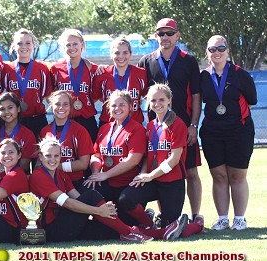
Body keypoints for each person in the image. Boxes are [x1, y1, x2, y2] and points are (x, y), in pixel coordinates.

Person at [118, 84, 204, 240]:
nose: (157, 104)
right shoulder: (151, 125)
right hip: (153, 180)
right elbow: (148, 156)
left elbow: (174, 160)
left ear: (169, 100)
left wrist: (150, 175)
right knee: (126, 198)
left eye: (161, 100)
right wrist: (143, 173)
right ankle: (148, 223)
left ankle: (197, 225)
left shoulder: (177, 124)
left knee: (171, 231)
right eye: (153, 100)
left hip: (172, 182)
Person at [138, 18, 202, 221]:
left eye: (169, 33)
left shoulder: (188, 60)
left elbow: (196, 95)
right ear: (156, 36)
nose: (165, 37)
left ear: (177, 35)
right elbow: (136, 90)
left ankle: (195, 215)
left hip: (183, 126)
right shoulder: (147, 61)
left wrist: (193, 124)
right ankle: (164, 216)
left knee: (190, 171)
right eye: (161, 33)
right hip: (157, 128)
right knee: (159, 169)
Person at [29, 136, 153, 242]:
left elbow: (78, 198)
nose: (52, 159)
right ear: (40, 156)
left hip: (66, 223)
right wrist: (98, 211)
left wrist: (103, 208)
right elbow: (68, 203)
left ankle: (160, 233)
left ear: (61, 156)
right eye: (48, 156)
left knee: (110, 229)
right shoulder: (39, 175)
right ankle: (130, 233)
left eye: (56, 155)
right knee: (92, 195)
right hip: (52, 229)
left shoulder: (61, 174)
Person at [200, 35, 257, 231]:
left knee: (237, 175)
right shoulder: (204, 76)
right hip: (212, 133)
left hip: (239, 131)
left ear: (227, 50)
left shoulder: (241, 75)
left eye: (220, 48)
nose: (217, 52)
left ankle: (239, 218)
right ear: (207, 52)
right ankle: (222, 218)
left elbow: (251, 101)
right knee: (219, 176)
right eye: (212, 49)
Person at [84, 90, 147, 226]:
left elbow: (133, 160)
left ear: (130, 107)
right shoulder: (104, 129)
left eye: (122, 105)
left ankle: (147, 221)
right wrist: (95, 173)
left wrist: (105, 174)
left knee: (129, 220)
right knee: (88, 192)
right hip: (109, 182)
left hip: (129, 183)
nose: (117, 108)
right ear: (108, 108)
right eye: (113, 105)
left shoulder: (137, 129)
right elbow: (96, 155)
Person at [50, 29, 99, 142]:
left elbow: (95, 96)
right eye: (68, 45)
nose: (72, 48)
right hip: (64, 119)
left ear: (81, 43)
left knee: (88, 156)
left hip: (86, 119)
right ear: (63, 47)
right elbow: (51, 95)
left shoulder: (93, 69)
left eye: (75, 44)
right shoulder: (56, 69)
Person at [40, 90, 93, 192]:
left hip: (75, 182)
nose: (61, 108)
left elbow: (83, 164)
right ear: (51, 106)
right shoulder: (44, 131)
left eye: (65, 104)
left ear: (70, 107)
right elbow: (40, 160)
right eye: (57, 104)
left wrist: (55, 166)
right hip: (52, 181)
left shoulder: (80, 130)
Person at [2, 29, 52, 137]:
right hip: (14, 119)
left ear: (33, 45)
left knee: (39, 152)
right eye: (19, 43)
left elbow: (48, 96)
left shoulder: (42, 69)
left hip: (37, 119)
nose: (24, 46)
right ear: (14, 46)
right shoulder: (6, 69)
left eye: (28, 43)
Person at [94, 37, 148, 126]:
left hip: (135, 122)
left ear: (130, 54)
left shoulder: (141, 73)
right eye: (117, 53)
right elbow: (96, 97)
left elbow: (146, 96)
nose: (121, 56)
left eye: (125, 52)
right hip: (108, 123)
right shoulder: (102, 74)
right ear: (111, 54)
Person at [0, 92, 37, 176]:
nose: (6, 112)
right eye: (2, 109)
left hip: (15, 178)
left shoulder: (28, 135)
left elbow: (24, 166)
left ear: (18, 109)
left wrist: (4, 176)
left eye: (10, 108)